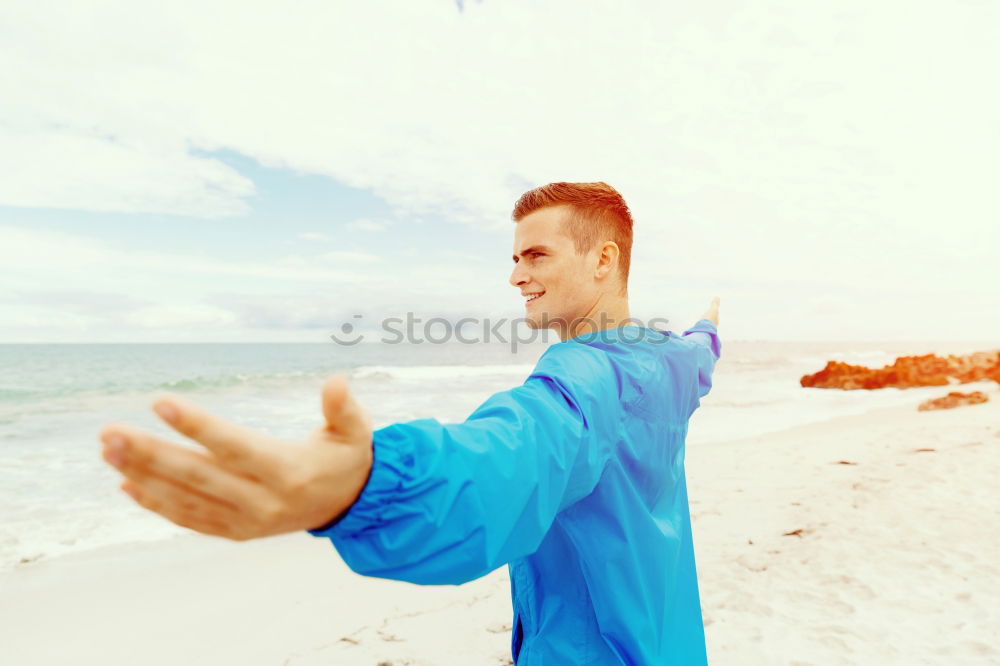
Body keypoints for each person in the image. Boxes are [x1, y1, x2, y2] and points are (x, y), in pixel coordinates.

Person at [99, 181, 721, 665]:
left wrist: (363, 489)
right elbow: (702, 354)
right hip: (668, 643)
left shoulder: (586, 377)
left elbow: (511, 458)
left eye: (536, 254)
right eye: (513, 256)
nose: (514, 275)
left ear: (603, 260)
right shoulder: (669, 357)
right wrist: (710, 326)